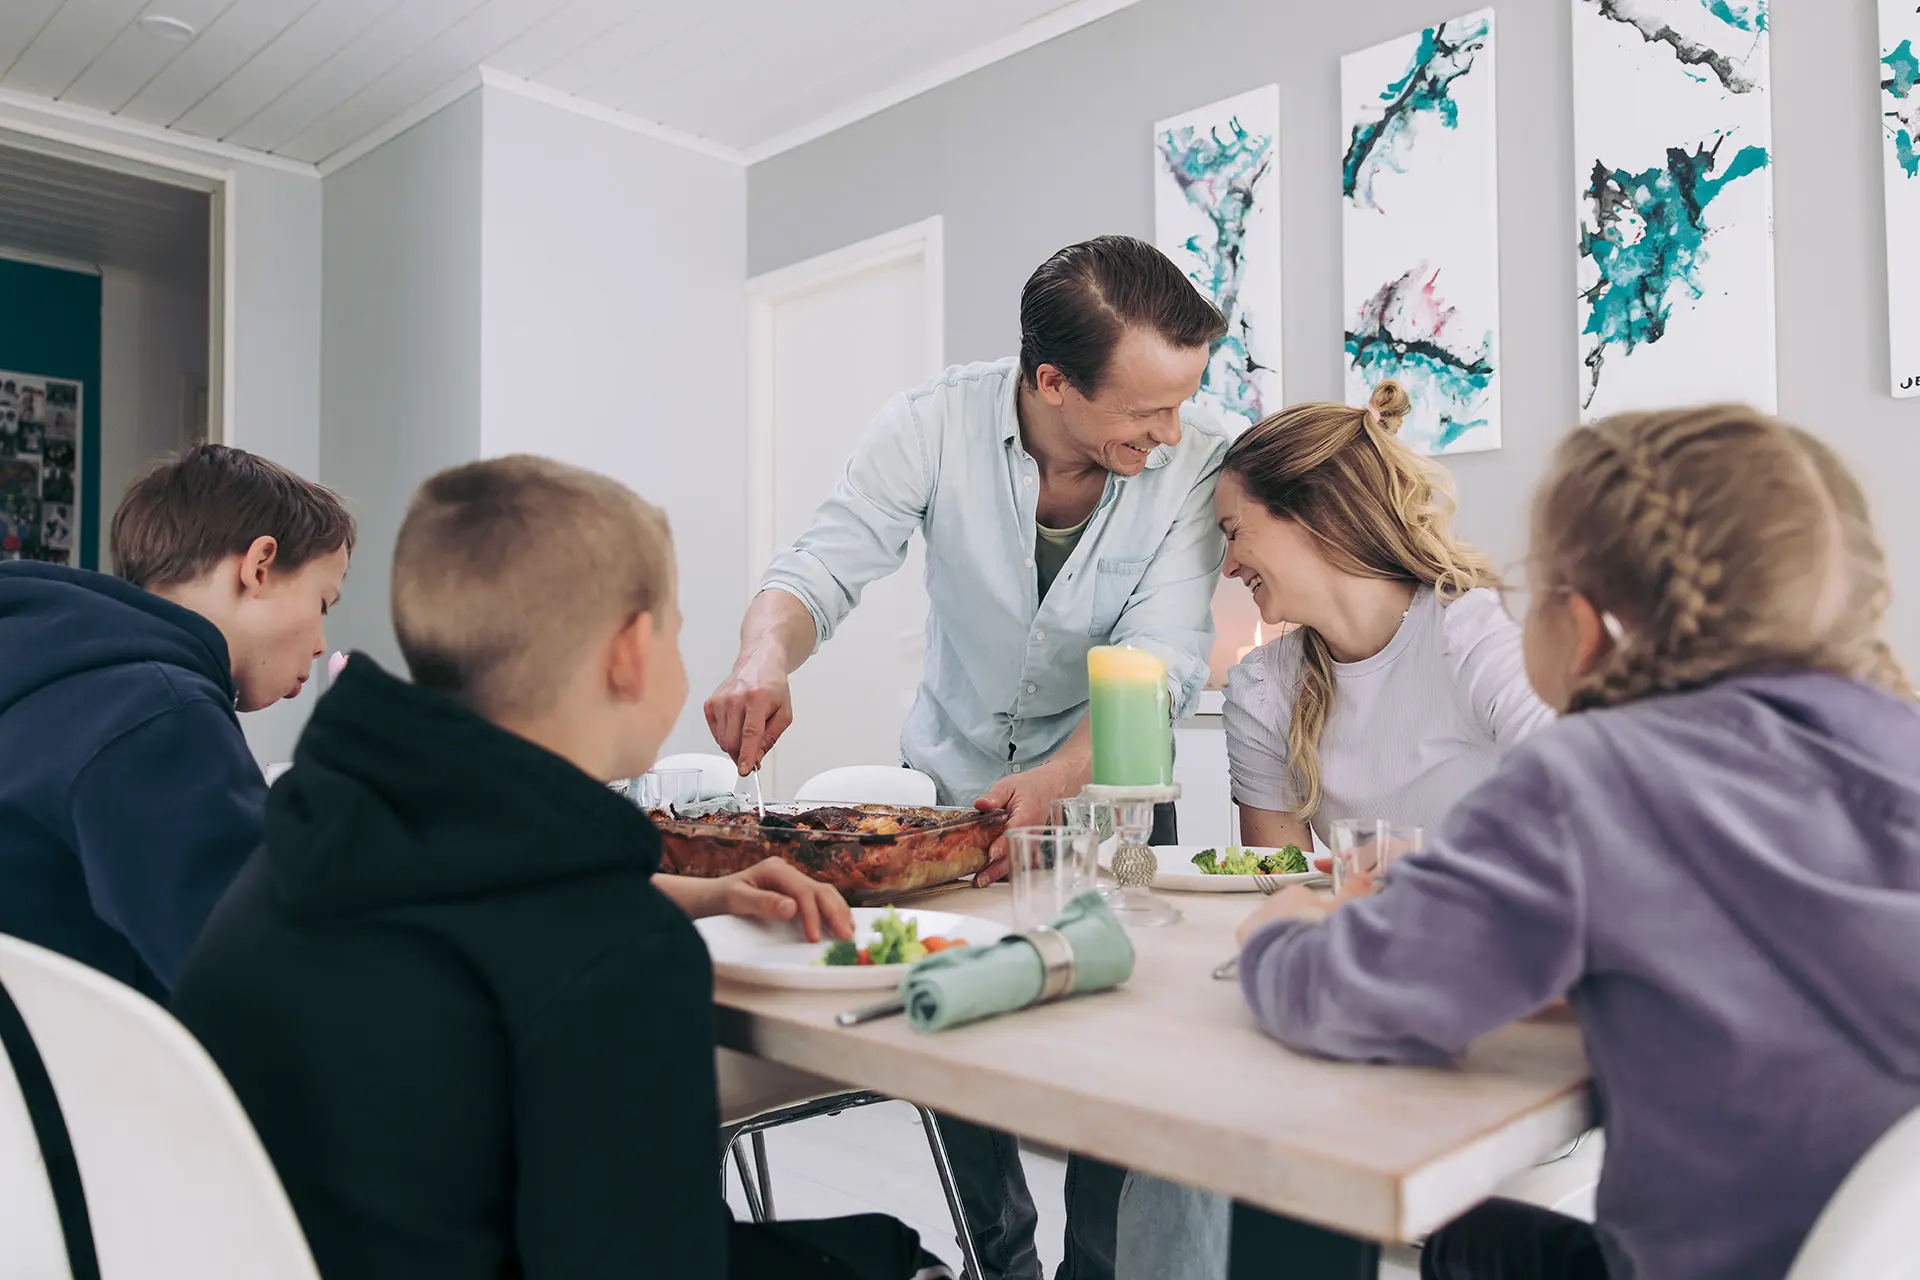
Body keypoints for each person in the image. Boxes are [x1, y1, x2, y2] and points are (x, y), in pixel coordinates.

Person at [172, 456, 952, 1280]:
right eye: (678, 630)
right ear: (628, 654)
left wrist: (704, 894)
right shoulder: (616, 953)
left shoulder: (306, 845)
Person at [1232, 406, 1920, 1280]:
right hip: (1880, 1252)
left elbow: (1355, 996)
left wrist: (1277, 932)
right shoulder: (1896, 736)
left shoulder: (1589, 778)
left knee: (1419, 1229)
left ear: (1587, 625)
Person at [706, 235, 1234, 1280]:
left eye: (1182, 402)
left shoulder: (1196, 457)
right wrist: (762, 655)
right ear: (1051, 382)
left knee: (1113, 1063)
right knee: (952, 1033)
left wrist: (1051, 786)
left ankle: (1096, 1269)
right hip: (948, 790)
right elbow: (823, 562)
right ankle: (1002, 1260)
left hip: (1105, 789)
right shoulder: (930, 424)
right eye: (1144, 411)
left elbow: (1162, 663)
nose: (1170, 432)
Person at [1115, 381, 1553, 1280]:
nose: (1228, 565)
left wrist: (1420, 872)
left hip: (1499, 1013)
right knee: (1182, 1123)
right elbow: (1275, 880)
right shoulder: (1263, 687)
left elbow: (1600, 795)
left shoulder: (1470, 633)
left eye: (1236, 531)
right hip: (1360, 997)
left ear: (1309, 515)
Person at [0, 443, 352, 998]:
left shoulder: (54, 676)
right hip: (99, 1077)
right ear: (259, 566)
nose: (320, 644)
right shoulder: (155, 715)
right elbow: (271, 976)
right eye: (324, 602)